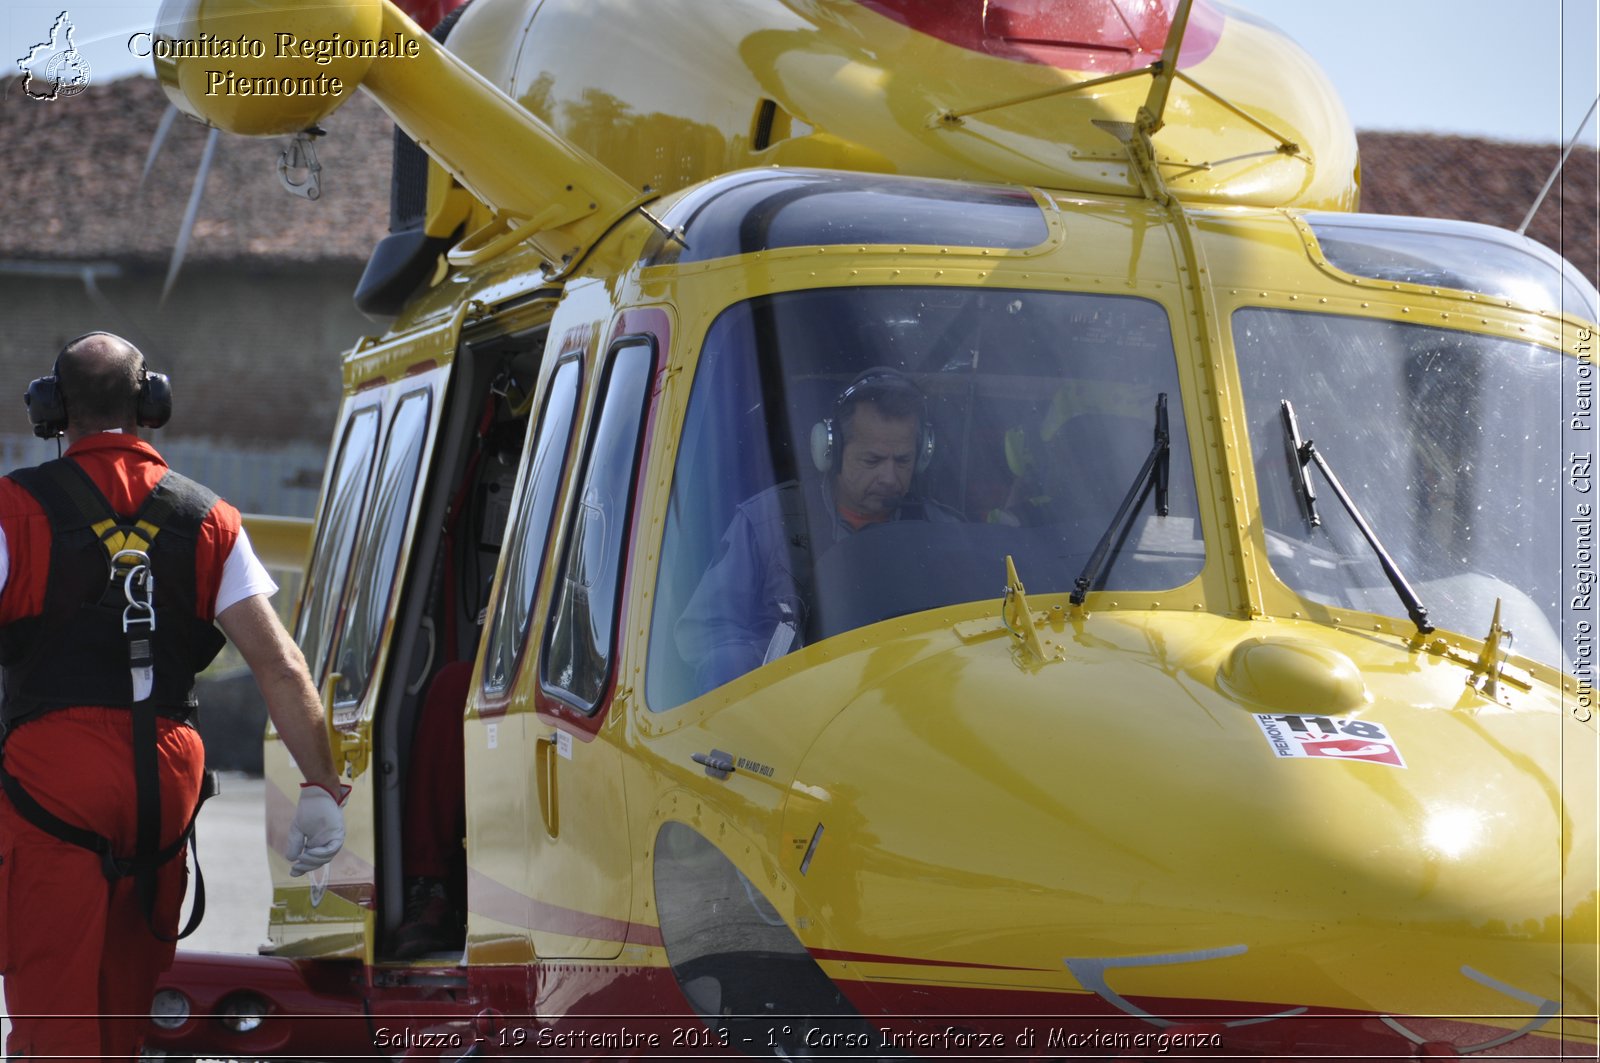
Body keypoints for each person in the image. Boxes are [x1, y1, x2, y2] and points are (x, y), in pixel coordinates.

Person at [0, 332, 347, 1060]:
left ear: (51, 408)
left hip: (53, 784)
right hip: (163, 785)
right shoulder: (210, 518)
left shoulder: (12, 509)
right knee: (124, 1009)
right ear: (151, 405)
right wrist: (321, 785)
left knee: (54, 1013)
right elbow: (281, 665)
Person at [675, 367, 955, 693]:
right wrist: (764, 665)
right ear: (830, 452)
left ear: (923, 456)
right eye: (872, 461)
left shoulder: (940, 531)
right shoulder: (768, 521)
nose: (890, 478)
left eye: (903, 460)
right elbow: (701, 629)